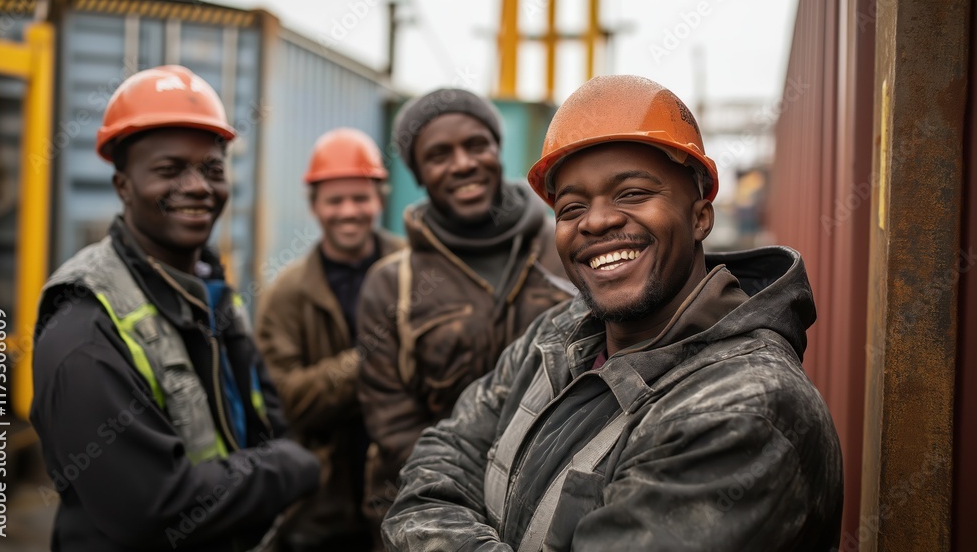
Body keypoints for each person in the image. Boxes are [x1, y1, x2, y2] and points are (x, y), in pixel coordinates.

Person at [382, 75, 844, 551]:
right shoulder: (556, 337)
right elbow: (437, 461)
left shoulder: (745, 410)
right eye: (572, 206)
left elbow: (431, 507)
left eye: (632, 194)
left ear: (700, 216)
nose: (597, 220)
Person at [30, 65, 319, 551]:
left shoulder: (210, 289)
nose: (198, 187)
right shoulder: (83, 330)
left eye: (212, 168)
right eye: (169, 170)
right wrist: (288, 469)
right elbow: (151, 506)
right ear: (123, 185)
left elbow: (263, 414)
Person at [356, 88, 573, 535]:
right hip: (438, 518)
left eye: (477, 145)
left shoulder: (567, 249)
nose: (463, 164)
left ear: (498, 150)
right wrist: (469, 505)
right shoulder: (391, 285)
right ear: (418, 174)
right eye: (438, 154)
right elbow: (393, 424)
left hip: (560, 511)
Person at [253, 128, 405, 551]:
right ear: (315, 207)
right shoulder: (288, 293)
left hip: (403, 492)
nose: (349, 211)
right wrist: (369, 361)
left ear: (379, 199)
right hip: (320, 507)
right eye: (335, 200)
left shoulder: (415, 272)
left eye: (360, 198)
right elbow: (283, 400)